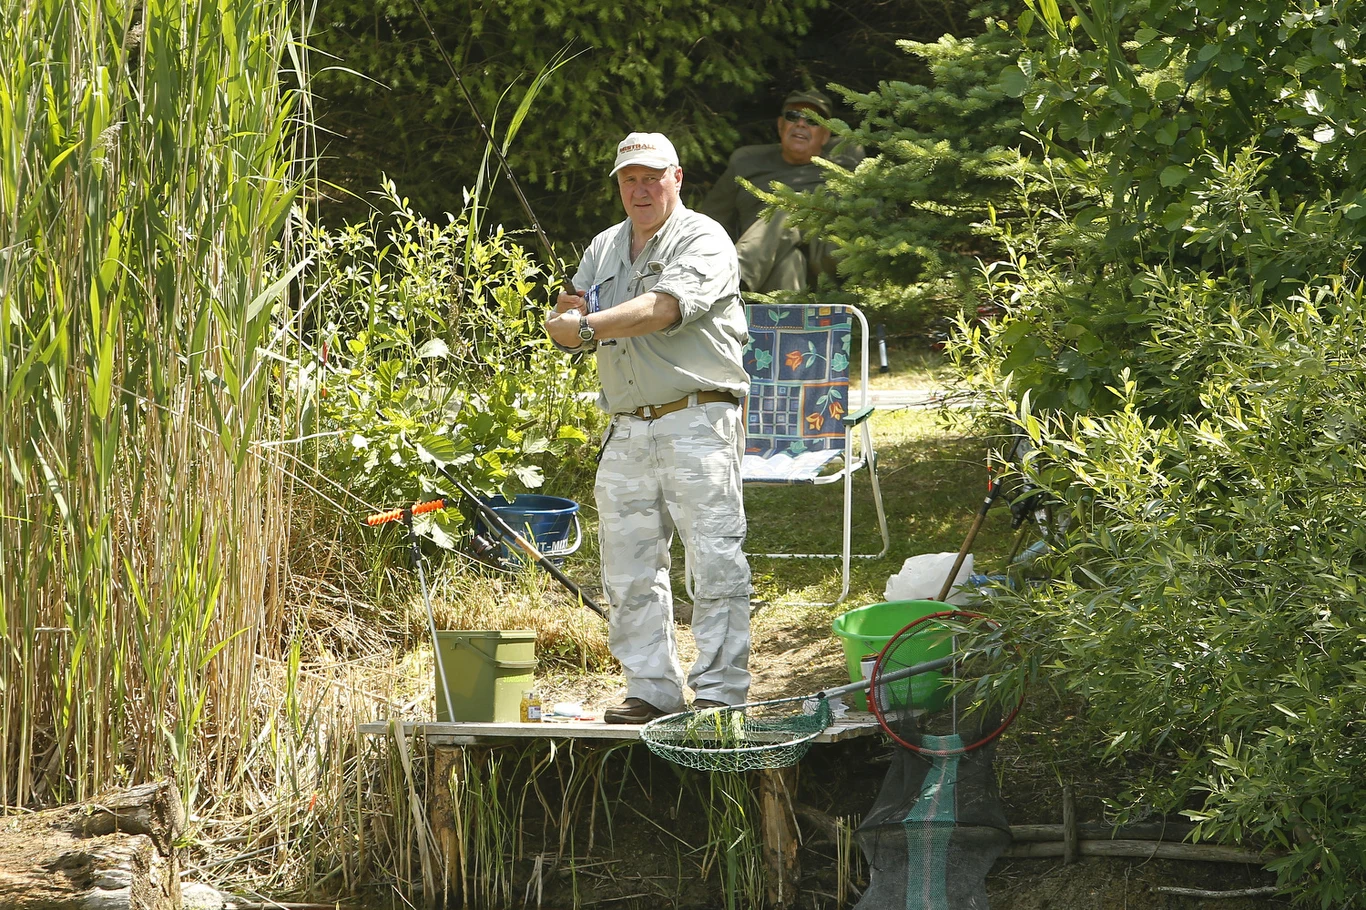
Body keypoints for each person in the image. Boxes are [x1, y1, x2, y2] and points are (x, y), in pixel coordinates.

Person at [544, 131, 752, 724]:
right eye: (629, 179)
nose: (640, 188)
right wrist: (565, 317)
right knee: (628, 568)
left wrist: (585, 327)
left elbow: (663, 308)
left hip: (698, 418)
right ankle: (651, 690)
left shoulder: (704, 238)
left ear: (677, 178)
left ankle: (718, 696)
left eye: (651, 177)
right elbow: (575, 303)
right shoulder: (604, 245)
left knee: (714, 564)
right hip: (627, 428)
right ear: (618, 185)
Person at [699, 88, 862, 292]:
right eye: (793, 116)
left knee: (789, 207)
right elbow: (711, 224)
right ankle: (783, 321)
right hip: (767, 273)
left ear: (825, 135)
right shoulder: (746, 165)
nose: (801, 123)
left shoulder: (843, 171)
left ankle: (729, 282)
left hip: (827, 265)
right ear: (780, 125)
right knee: (789, 262)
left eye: (813, 120)